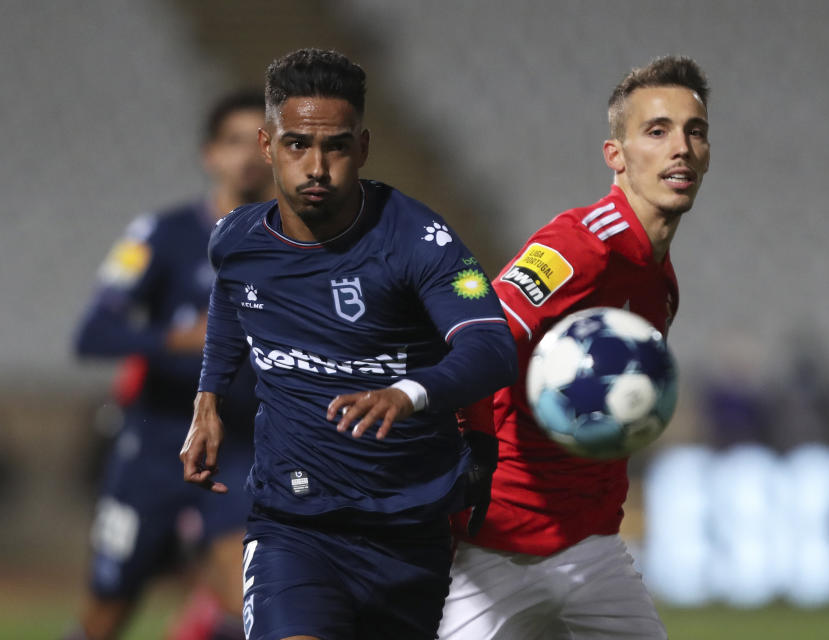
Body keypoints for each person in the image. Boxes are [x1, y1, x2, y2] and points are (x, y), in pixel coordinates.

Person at [178, 48, 518, 640]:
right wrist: (207, 398)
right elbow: (233, 304)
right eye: (296, 145)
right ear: (267, 146)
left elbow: (491, 348)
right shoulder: (236, 240)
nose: (316, 166)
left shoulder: (419, 240)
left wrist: (408, 394)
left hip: (409, 531)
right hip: (294, 527)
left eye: (335, 146)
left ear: (362, 147)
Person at [440, 56, 712, 640]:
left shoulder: (659, 280)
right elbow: (479, 339)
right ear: (616, 155)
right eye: (657, 131)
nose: (681, 148)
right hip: (494, 549)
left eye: (695, 131)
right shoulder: (580, 247)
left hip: (591, 551)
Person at [68, 91, 273, 640]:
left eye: (263, 142)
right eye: (234, 142)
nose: (249, 157)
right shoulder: (164, 236)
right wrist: (178, 339)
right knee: (107, 610)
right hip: (156, 450)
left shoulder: (299, 248)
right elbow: (93, 332)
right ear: (210, 154)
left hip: (239, 453)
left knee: (249, 602)